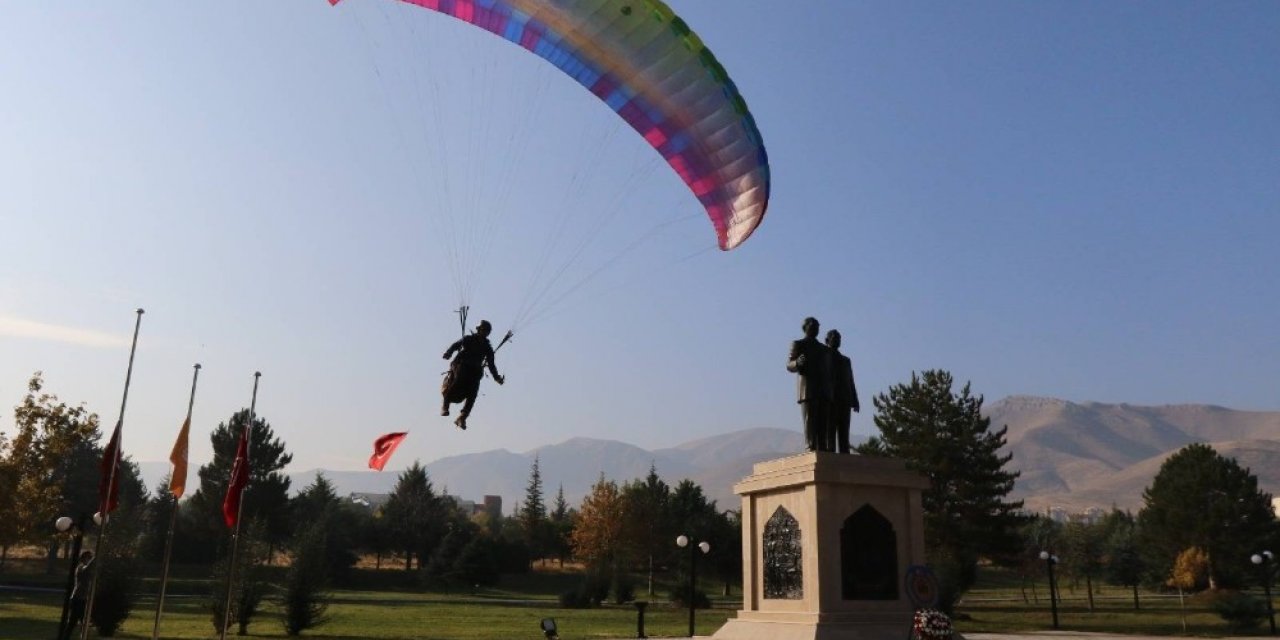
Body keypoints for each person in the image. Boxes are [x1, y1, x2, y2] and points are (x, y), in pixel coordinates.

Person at [441, 320, 505, 430]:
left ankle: (462, 417)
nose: (485, 332)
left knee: (473, 392)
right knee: (460, 378)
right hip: (460, 365)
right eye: (483, 330)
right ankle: (445, 405)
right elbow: (456, 345)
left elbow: (491, 364)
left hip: (474, 370)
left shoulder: (487, 348)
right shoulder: (468, 339)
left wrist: (496, 378)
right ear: (479, 329)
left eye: (487, 331)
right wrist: (448, 353)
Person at [787, 317, 832, 452]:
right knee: (810, 420)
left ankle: (822, 446)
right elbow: (789, 365)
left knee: (823, 421)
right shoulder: (798, 344)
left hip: (823, 389)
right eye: (812, 325)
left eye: (817, 326)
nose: (815, 328)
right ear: (805, 327)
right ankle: (810, 446)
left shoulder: (824, 349)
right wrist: (797, 363)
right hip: (807, 388)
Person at [825, 329, 860, 454]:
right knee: (830, 430)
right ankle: (830, 455)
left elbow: (850, 381)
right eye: (834, 337)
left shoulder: (846, 360)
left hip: (845, 399)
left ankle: (845, 454)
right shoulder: (824, 357)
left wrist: (855, 400)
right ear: (827, 340)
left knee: (844, 431)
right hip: (830, 399)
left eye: (839, 338)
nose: (837, 340)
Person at [60, 550, 94, 640]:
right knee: (73, 622)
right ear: (83, 559)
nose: (89, 559)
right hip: (78, 599)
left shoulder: (87, 569)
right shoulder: (81, 568)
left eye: (90, 558)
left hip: (83, 599)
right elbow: (90, 567)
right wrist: (96, 557)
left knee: (84, 622)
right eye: (88, 558)